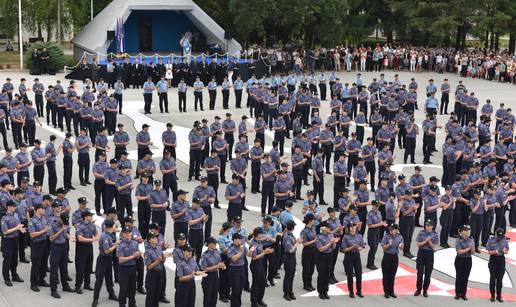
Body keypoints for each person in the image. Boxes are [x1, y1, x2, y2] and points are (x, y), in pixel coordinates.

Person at [91, 220, 118, 307]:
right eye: (114, 226)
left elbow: (110, 244)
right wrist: (115, 246)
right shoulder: (105, 237)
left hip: (108, 259)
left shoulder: (108, 235)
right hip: (103, 259)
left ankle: (111, 294)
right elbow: (107, 251)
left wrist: (115, 243)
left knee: (109, 278)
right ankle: (95, 299)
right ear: (111, 227)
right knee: (99, 280)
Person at [48, 211, 74, 298]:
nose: (65, 223)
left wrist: (69, 236)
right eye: (63, 221)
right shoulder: (53, 224)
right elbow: (51, 238)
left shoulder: (65, 223)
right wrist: (61, 230)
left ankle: (65, 286)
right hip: (55, 247)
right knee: (54, 269)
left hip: (64, 246)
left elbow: (66, 231)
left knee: (64, 268)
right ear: (59, 219)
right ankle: (53, 290)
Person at [75, 209, 99, 293]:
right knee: (80, 267)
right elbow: (80, 238)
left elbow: (97, 234)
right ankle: (78, 286)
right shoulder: (80, 226)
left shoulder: (92, 225)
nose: (91, 217)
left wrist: (94, 238)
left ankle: (87, 283)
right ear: (85, 217)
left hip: (89, 247)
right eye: (90, 216)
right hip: (81, 248)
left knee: (88, 266)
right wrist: (92, 239)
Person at [1, 200, 25, 287]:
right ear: (9, 207)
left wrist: (21, 229)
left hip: (15, 239)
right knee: (8, 259)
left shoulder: (15, 215)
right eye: (14, 206)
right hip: (7, 241)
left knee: (15, 259)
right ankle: (6, 278)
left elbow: (18, 224)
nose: (15, 207)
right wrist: (17, 228)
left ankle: (14, 275)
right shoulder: (4, 218)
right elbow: (5, 232)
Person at [144, 232, 171, 307]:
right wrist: (157, 261)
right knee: (151, 295)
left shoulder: (159, 248)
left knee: (157, 294)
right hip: (152, 274)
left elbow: (162, 261)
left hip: (160, 273)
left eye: (155, 237)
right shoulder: (147, 252)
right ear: (149, 240)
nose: (156, 239)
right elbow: (149, 267)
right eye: (153, 238)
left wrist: (165, 257)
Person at [117, 225, 141, 307]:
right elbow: (120, 260)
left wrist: (138, 255)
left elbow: (137, 256)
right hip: (124, 269)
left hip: (133, 268)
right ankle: (122, 304)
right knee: (123, 288)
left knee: (133, 287)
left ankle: (132, 303)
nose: (128, 234)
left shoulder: (135, 243)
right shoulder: (121, 245)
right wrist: (133, 256)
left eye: (129, 232)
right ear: (123, 234)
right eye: (126, 233)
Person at [414, 219, 438, 297]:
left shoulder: (434, 234)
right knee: (419, 273)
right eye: (426, 225)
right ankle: (418, 289)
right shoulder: (421, 233)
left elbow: (433, 247)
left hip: (429, 254)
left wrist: (429, 242)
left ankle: (425, 290)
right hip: (421, 253)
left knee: (428, 274)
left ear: (432, 226)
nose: (427, 227)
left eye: (429, 225)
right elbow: (418, 244)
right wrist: (425, 241)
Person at [315, 221, 339, 300]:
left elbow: (333, 248)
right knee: (321, 273)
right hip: (321, 256)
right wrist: (331, 243)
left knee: (327, 273)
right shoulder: (318, 237)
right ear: (323, 228)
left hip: (329, 255)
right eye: (327, 227)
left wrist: (334, 243)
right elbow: (321, 249)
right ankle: (320, 292)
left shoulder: (331, 235)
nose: (329, 228)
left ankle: (325, 291)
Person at [28, 203, 49, 291]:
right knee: (36, 264)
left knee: (44, 263)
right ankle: (33, 283)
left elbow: (48, 227)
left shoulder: (44, 218)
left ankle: (41, 280)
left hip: (44, 243)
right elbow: (32, 234)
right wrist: (44, 231)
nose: (44, 210)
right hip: (36, 244)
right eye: (42, 208)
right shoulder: (32, 221)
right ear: (37, 210)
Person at [485, 227, 509, 302]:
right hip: (493, 259)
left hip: (501, 260)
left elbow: (506, 250)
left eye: (501, 236)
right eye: (498, 236)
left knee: (500, 279)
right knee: (492, 278)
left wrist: (505, 251)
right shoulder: (491, 240)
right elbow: (488, 251)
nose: (499, 238)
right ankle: (492, 295)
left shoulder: (504, 240)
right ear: (495, 234)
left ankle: (499, 295)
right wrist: (494, 252)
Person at [341, 222, 365, 298]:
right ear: (348, 229)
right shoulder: (345, 237)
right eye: (351, 227)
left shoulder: (359, 236)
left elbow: (362, 246)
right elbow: (343, 249)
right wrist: (352, 247)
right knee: (350, 274)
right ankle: (351, 291)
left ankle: (359, 291)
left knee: (359, 274)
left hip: (357, 255)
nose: (353, 228)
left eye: (354, 226)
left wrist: (359, 248)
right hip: (349, 256)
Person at [247, 227, 270, 307]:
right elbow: (254, 257)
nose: (262, 235)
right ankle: (254, 302)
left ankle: (260, 299)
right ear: (258, 234)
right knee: (256, 283)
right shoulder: (253, 244)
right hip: (255, 264)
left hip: (260, 264)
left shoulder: (259, 241)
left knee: (262, 282)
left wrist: (265, 251)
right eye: (261, 233)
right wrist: (264, 253)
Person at [200, 236, 225, 307]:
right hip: (208, 276)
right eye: (214, 243)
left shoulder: (217, 251)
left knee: (214, 296)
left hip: (215, 275)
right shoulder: (205, 255)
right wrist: (217, 266)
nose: (215, 245)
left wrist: (222, 265)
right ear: (209, 244)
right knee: (208, 296)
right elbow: (204, 269)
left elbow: (219, 261)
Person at [381, 223, 404, 298]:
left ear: (396, 230)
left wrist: (401, 246)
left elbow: (401, 247)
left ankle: (391, 291)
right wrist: (388, 244)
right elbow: (383, 248)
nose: (390, 230)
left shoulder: (400, 237)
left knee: (392, 275)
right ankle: (386, 291)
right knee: (386, 275)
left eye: (392, 229)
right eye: (390, 228)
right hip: (387, 257)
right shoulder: (386, 236)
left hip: (394, 257)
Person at [282, 219, 302, 301]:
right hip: (288, 256)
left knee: (292, 275)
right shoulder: (287, 236)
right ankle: (286, 292)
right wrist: (297, 243)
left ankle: (290, 291)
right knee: (288, 275)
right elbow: (290, 249)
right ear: (293, 227)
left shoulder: (291, 235)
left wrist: (296, 241)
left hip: (292, 257)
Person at [454, 224, 474, 300]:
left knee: (465, 277)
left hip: (468, 260)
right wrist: (469, 248)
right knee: (459, 277)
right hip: (460, 260)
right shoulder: (458, 240)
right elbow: (459, 252)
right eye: (466, 230)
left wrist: (471, 248)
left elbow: (472, 252)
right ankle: (457, 293)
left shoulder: (471, 239)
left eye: (468, 230)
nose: (468, 232)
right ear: (462, 232)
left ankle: (463, 294)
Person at [228, 232, 247, 307]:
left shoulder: (242, 246)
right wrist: (241, 251)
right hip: (234, 270)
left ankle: (238, 304)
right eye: (240, 239)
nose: (241, 240)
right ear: (235, 240)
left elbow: (248, 254)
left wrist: (251, 249)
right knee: (235, 290)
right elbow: (233, 259)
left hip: (242, 268)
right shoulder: (231, 248)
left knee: (240, 288)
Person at [366, 200, 387, 270]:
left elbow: (380, 221)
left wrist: (383, 223)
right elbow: (370, 225)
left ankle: (372, 262)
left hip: (377, 231)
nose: (377, 207)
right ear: (373, 206)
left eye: (378, 206)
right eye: (376, 206)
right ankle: (369, 263)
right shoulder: (370, 214)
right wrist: (380, 224)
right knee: (373, 248)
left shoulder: (379, 212)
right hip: (372, 232)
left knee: (375, 248)